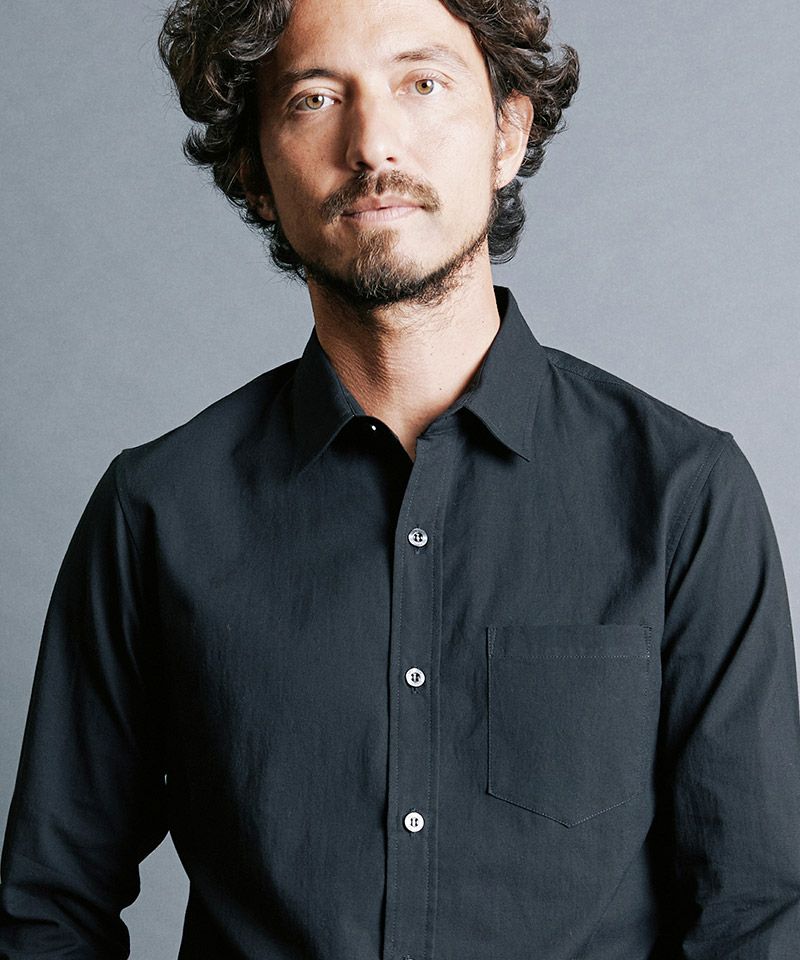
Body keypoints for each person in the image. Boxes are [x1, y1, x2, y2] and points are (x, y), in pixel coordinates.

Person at [1, 0, 799, 956]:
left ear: (507, 132)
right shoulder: (157, 511)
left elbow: (757, 918)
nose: (373, 142)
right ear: (254, 169)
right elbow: (49, 910)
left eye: (422, 83)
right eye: (314, 98)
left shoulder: (685, 494)